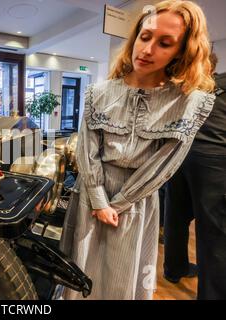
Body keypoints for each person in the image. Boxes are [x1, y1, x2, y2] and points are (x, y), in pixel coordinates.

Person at [59, 0, 216, 300]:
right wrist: (98, 200)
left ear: (181, 51)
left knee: (121, 280)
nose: (147, 50)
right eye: (145, 37)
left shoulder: (185, 103)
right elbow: (87, 150)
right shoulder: (99, 93)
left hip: (136, 202)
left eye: (164, 43)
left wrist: (117, 204)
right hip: (92, 194)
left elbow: (165, 163)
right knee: (79, 275)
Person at [164, 61, 226, 299]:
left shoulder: (196, 87)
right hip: (214, 160)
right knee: (215, 232)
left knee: (176, 216)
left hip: (182, 153)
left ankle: (174, 268)